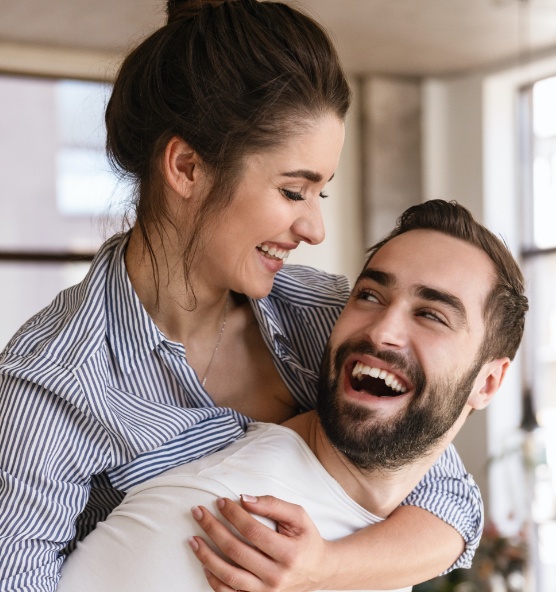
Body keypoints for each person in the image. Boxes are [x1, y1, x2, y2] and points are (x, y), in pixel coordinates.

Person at [0, 0, 480, 589]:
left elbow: (451, 503)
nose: (314, 229)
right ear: (187, 167)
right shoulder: (53, 382)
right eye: (291, 191)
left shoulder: (329, 318)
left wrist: (322, 570)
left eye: (320, 195)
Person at [56, 200, 529, 592]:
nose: (384, 330)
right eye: (369, 296)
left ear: (487, 383)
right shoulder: (231, 524)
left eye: (431, 315)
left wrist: (328, 568)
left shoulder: (370, 541)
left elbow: (454, 499)